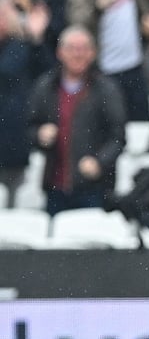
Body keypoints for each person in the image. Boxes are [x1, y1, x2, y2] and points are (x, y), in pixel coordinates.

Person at [27, 26, 126, 215]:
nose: (78, 54)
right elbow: (30, 128)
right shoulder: (45, 87)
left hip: (93, 188)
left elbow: (118, 138)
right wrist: (40, 135)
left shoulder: (106, 89)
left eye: (84, 48)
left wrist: (99, 162)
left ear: (93, 53)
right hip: (55, 185)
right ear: (60, 52)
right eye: (72, 48)